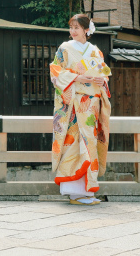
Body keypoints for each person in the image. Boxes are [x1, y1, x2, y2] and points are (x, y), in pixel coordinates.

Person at [49, 13, 111, 205]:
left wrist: (102, 81)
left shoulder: (95, 51)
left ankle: (88, 192)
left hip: (91, 106)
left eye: (77, 28)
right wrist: (77, 78)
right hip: (73, 105)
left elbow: (104, 74)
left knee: (89, 144)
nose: (73, 31)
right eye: (71, 27)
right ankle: (75, 193)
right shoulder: (64, 48)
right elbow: (55, 72)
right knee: (73, 143)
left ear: (86, 30)